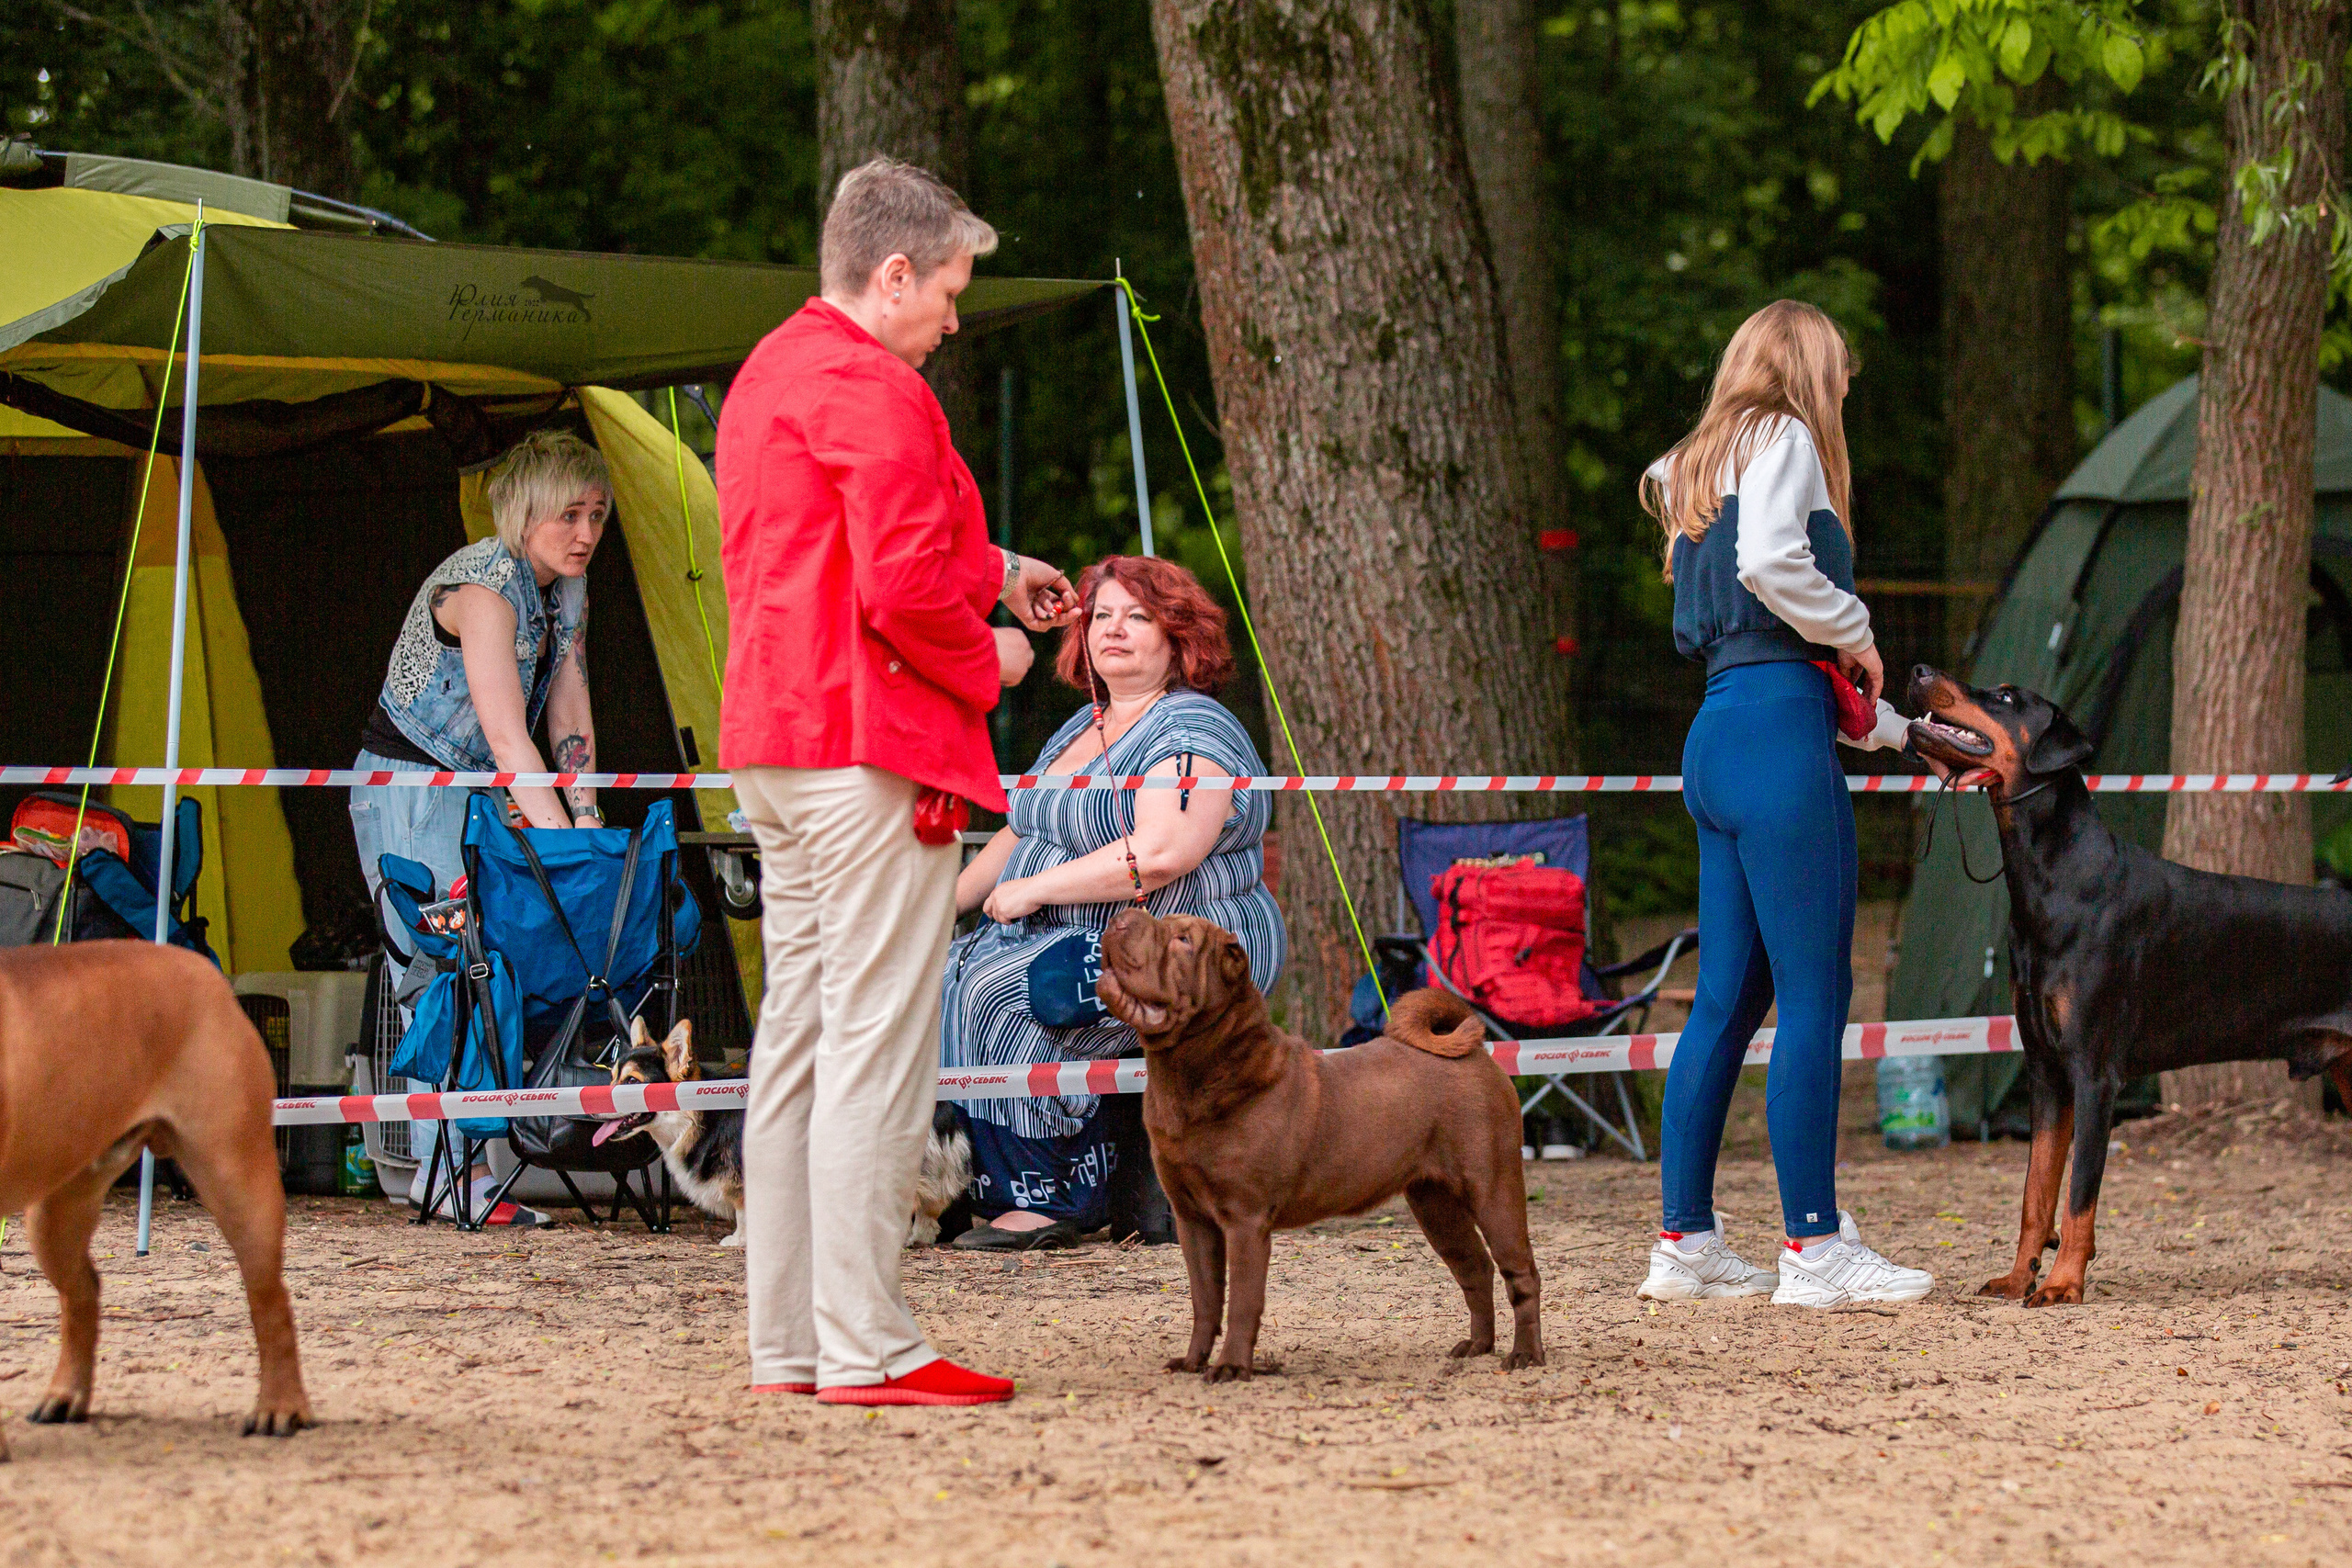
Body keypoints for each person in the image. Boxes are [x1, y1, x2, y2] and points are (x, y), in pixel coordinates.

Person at [717, 156, 1078, 1408]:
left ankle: (793, 1345)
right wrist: (996, 655)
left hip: (777, 736)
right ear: (893, 274)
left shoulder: (774, 369)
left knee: (799, 1049)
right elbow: (903, 585)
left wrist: (1002, 563)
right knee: (875, 1049)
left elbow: (855, 542)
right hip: (869, 744)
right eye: (949, 289)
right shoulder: (881, 387)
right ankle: (868, 1343)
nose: (954, 317)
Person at [1633, 299, 1932, 1309]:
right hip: (1776, 744)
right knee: (1815, 995)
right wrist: (1856, 628)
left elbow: (1761, 644)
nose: (1843, 388)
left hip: (1722, 734)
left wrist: (1898, 732)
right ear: (1808, 367)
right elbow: (1777, 573)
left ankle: (1685, 1240)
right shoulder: (1789, 438)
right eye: (1839, 371)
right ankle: (1813, 1245)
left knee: (1728, 997)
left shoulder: (1692, 469)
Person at [941, 555, 1284, 1251]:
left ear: (1178, 635)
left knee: (997, 991)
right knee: (935, 975)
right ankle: (948, 1185)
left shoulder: (1193, 729)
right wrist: (940, 906)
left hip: (1182, 948)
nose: (1114, 630)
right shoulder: (1082, 726)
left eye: (1138, 617)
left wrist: (1033, 890)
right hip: (1057, 933)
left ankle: (1048, 1197)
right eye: (1102, 616)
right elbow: (1022, 826)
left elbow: (1161, 852)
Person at [350, 427, 615, 1229]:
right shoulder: (485, 585)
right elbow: (507, 734)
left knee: (496, 965)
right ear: (524, 510)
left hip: (484, 789)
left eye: (598, 515)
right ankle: (448, 1175)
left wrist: (590, 817)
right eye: (568, 514)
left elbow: (570, 713)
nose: (585, 533)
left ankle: (475, 1169)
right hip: (413, 786)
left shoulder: (567, 592)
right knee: (442, 966)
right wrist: (565, 843)